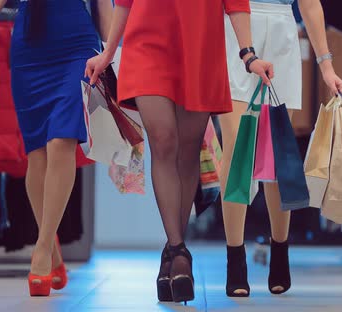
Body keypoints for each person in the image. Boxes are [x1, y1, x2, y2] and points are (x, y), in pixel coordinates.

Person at [84, 0, 273, 304]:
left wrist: (248, 55)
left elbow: (236, 4)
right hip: (144, 43)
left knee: (187, 151)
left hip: (199, 47)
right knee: (164, 140)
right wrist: (108, 52)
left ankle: (172, 256)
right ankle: (179, 249)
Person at [0, 0, 112, 296]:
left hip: (77, 47)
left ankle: (43, 248)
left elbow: (103, 5)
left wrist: (112, 52)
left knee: (62, 139)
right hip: (29, 51)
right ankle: (53, 253)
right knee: (36, 155)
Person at [220, 0, 342, 297]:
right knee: (237, 147)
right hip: (233, 27)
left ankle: (280, 248)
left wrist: (326, 66)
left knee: (278, 151)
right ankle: (234, 258)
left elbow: (310, 5)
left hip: (281, 30)